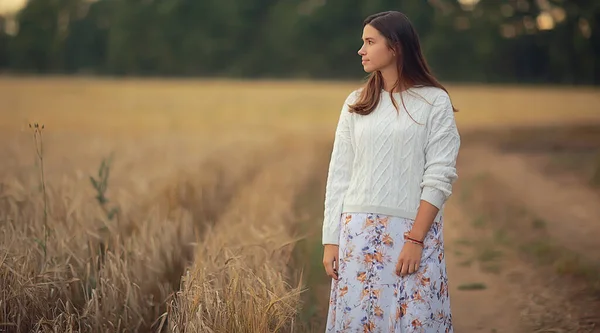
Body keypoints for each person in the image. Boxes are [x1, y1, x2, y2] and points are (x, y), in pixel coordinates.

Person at [321, 11, 460, 333]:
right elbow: (339, 174)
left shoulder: (433, 101)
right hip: (356, 235)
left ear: (395, 47)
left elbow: (440, 175)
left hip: (410, 236)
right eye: (362, 42)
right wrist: (332, 240)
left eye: (370, 42)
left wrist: (415, 238)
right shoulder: (356, 102)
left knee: (415, 321)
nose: (361, 50)